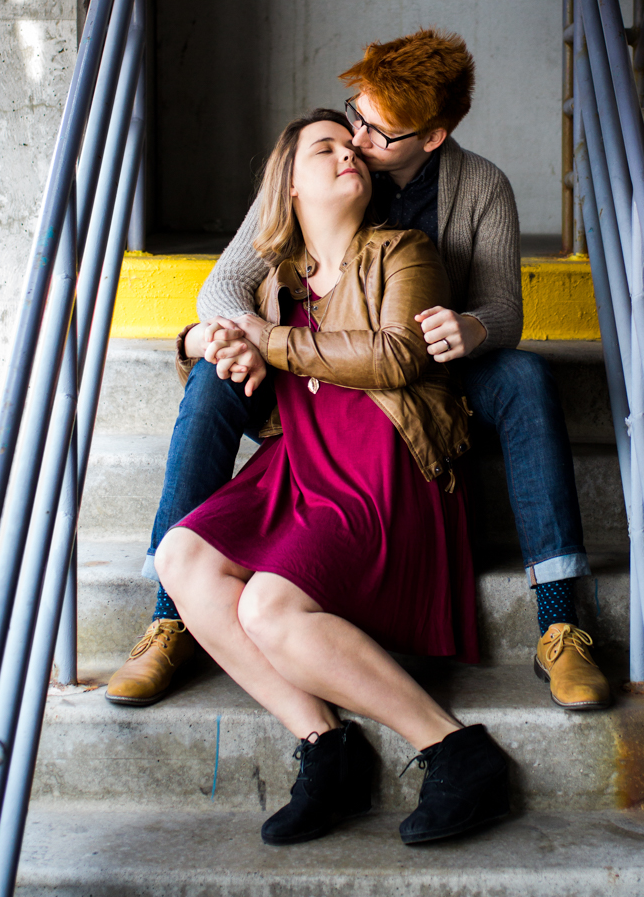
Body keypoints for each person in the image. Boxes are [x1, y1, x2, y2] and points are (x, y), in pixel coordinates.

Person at [106, 28, 610, 714]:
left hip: (427, 375)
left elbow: (504, 308)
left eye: (378, 132)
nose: (358, 137)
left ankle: (559, 621)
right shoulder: (324, 161)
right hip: (310, 378)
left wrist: (474, 327)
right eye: (356, 112)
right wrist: (234, 338)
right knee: (211, 379)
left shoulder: (480, 186)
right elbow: (225, 285)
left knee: (525, 378)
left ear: (430, 138)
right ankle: (171, 615)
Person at [153, 110, 509, 846]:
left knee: (267, 609)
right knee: (180, 558)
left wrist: (273, 344)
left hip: (388, 464)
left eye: (352, 148)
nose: (348, 153)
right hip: (303, 467)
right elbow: (218, 333)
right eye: (326, 148)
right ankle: (327, 746)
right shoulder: (277, 284)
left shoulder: (404, 250)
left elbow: (398, 356)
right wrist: (215, 343)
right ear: (288, 185)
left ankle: (455, 750)